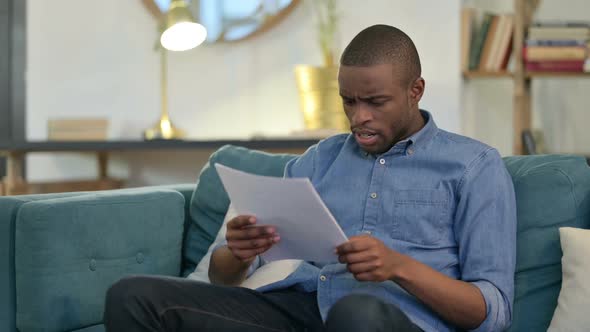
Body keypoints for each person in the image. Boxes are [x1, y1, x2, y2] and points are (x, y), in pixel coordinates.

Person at [104, 24, 516, 332]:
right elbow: (226, 278)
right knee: (132, 295)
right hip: (299, 308)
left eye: (375, 102)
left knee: (358, 314)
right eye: (348, 102)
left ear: (416, 90)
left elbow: (493, 310)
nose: (359, 118)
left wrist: (397, 266)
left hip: (390, 320)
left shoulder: (473, 166)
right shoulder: (318, 160)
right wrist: (238, 252)